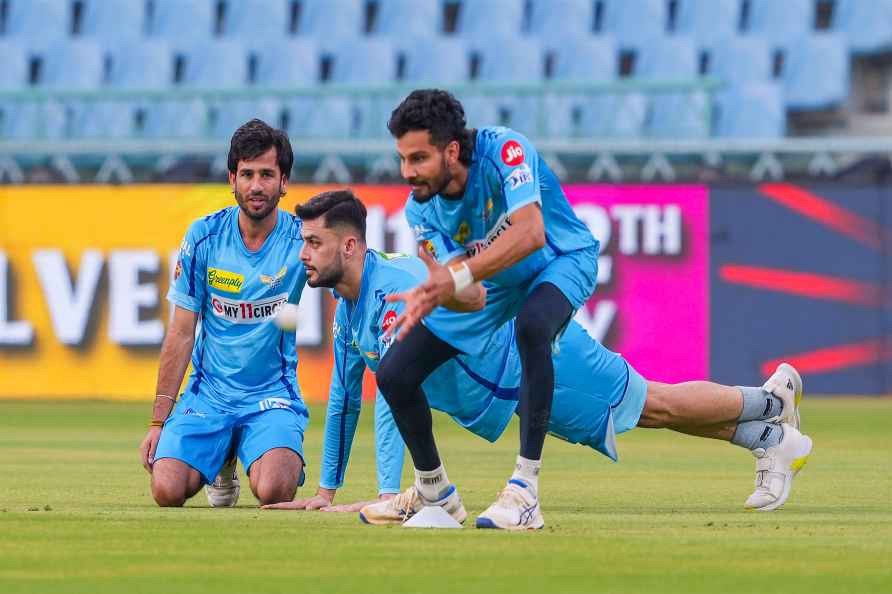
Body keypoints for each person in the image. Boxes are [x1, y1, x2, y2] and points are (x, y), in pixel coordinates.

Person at [261, 190, 813, 525]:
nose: (303, 253)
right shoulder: (349, 306)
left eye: (312, 242)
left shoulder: (396, 289)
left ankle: (768, 403)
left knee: (655, 405)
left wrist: (387, 494)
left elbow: (391, 395)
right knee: (642, 414)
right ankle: (769, 432)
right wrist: (326, 492)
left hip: (540, 361)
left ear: (350, 245)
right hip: (511, 388)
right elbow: (343, 400)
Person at [371, 88, 602, 529]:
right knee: (394, 374)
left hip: (560, 259)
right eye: (402, 159)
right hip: (492, 282)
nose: (407, 172)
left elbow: (531, 231)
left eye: (418, 159)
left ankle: (524, 492)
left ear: (451, 150)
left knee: (532, 326)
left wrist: (455, 278)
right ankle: (436, 494)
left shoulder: (506, 150)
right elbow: (473, 296)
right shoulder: (422, 209)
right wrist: (441, 291)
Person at [138, 119, 308, 507]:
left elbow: (349, 272)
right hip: (209, 394)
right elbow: (181, 333)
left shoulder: (302, 239)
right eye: (247, 174)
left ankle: (271, 448)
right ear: (232, 179)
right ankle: (221, 457)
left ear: (284, 182)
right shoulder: (203, 237)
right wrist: (157, 421)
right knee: (165, 490)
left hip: (272, 394)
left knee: (274, 491)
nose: (256, 185)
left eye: (267, 174)